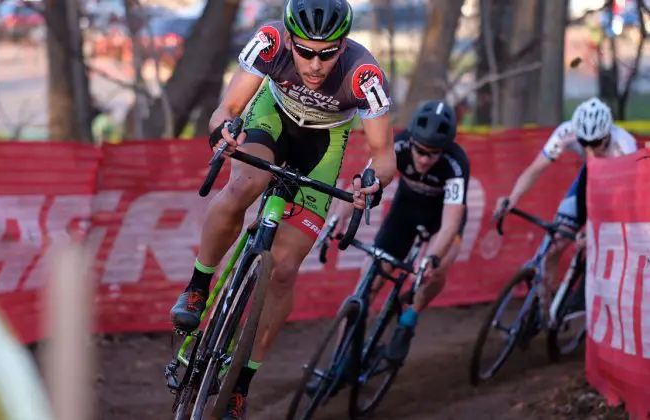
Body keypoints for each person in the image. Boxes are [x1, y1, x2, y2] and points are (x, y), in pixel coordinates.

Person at [168, 0, 397, 418]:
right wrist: (224, 132)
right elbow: (228, 109)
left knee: (286, 268)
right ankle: (198, 287)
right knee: (244, 184)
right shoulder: (270, 41)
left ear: (343, 44)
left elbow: (384, 158)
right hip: (270, 119)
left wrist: (371, 181)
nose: (314, 64)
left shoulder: (364, 75)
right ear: (289, 38)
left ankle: (242, 380)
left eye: (327, 53)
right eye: (305, 50)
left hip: (323, 144)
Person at [331, 100, 469, 367]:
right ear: (412, 141)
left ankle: (409, 319)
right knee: (367, 283)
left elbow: (451, 222)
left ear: (445, 149)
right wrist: (337, 218)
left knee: (437, 268)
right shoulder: (398, 145)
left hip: (441, 220)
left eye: (432, 154)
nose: (423, 158)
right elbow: (361, 185)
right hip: (406, 211)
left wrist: (432, 258)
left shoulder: (456, 163)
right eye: (419, 150)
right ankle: (338, 362)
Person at [495, 97, 637, 306]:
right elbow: (536, 169)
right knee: (552, 247)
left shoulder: (624, 146)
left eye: (596, 143)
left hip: (616, 195)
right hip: (586, 184)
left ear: (607, 134)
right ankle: (547, 305)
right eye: (583, 143)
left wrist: (593, 229)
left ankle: (587, 301)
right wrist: (513, 197)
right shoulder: (566, 131)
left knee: (596, 247)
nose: (589, 150)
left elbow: (625, 199)